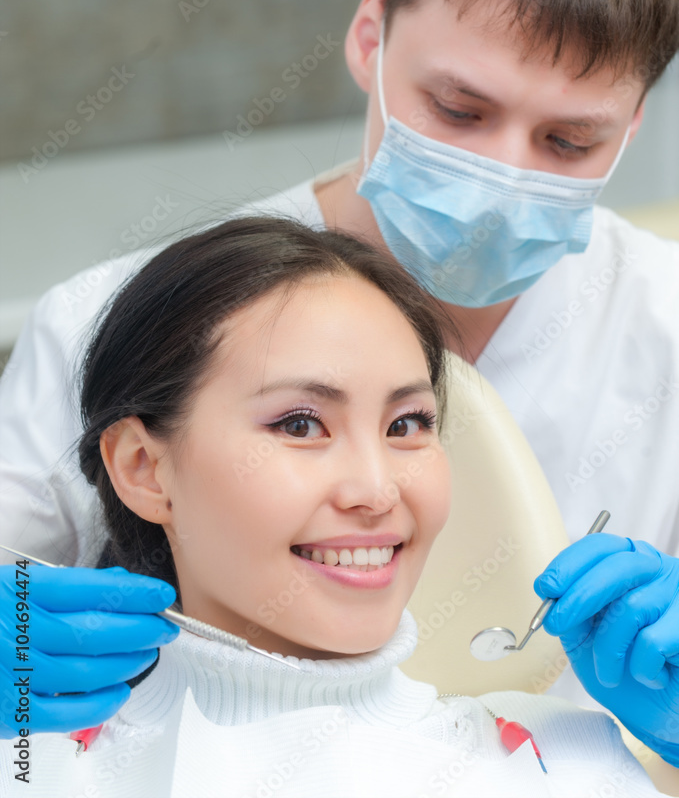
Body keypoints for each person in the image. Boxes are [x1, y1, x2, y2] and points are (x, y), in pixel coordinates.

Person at [1, 0, 679, 752]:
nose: (501, 176)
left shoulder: (659, 325)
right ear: (369, 36)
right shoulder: (111, 319)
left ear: (633, 124)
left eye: (568, 143)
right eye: (457, 109)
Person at [0, 216, 670, 796]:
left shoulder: (557, 762)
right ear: (143, 467)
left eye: (406, 424)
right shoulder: (29, 764)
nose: (376, 492)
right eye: (298, 424)